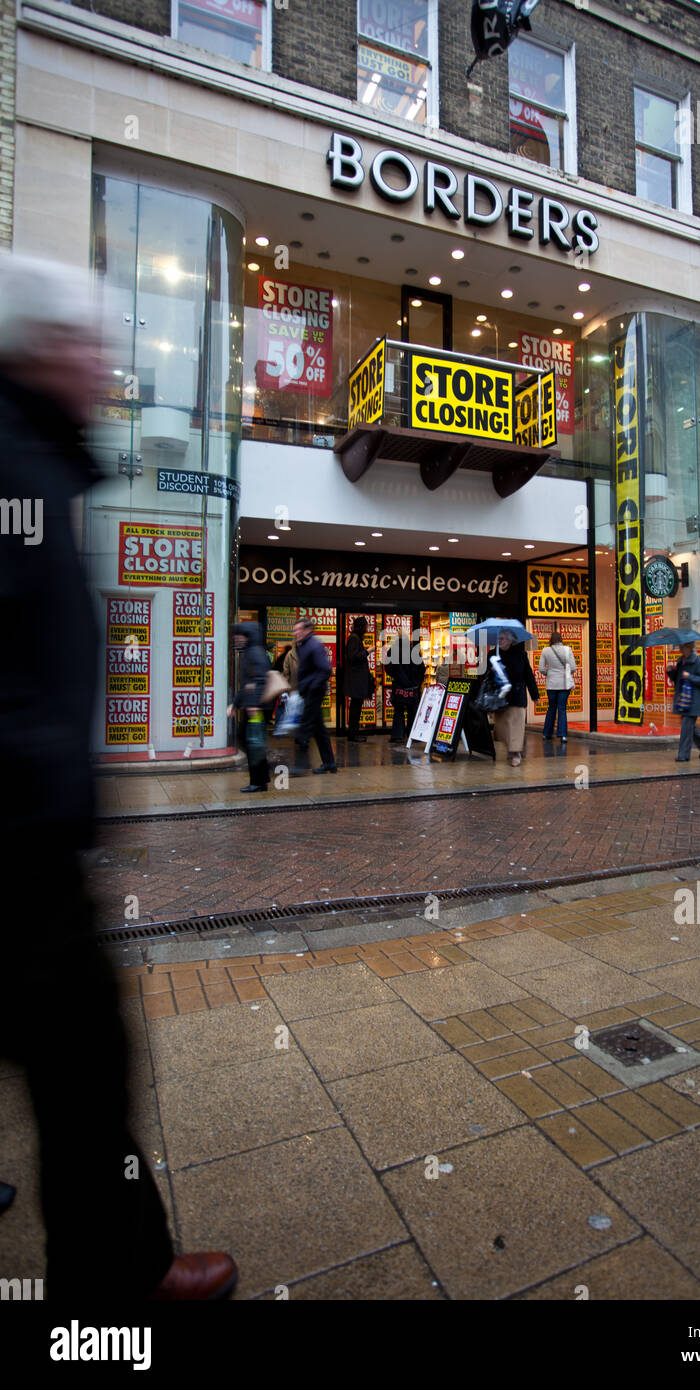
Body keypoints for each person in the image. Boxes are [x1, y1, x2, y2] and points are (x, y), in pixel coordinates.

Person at [0, 251, 236, 1299]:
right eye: (93, 344)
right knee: (87, 1075)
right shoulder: (14, 463)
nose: (108, 367)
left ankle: (132, 1267)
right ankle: (115, 1294)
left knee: (85, 1080)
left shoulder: (42, 461)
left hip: (32, 836)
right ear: (44, 348)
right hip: (17, 844)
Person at [228, 622, 270, 792]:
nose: (236, 639)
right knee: (252, 740)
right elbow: (246, 684)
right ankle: (262, 777)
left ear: (246, 636)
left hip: (256, 708)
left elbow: (258, 681)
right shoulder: (251, 652)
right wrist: (236, 704)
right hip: (253, 706)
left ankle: (258, 781)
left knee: (251, 740)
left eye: (238, 636)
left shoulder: (254, 653)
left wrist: (253, 704)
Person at [292, 617, 338, 773]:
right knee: (319, 730)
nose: (296, 632)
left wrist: (312, 686)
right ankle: (329, 763)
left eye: (298, 630)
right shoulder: (304, 645)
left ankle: (300, 765)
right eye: (295, 630)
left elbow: (325, 669)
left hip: (314, 693)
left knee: (304, 729)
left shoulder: (313, 645)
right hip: (310, 691)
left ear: (307, 630)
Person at [492, 631, 539, 767]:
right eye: (498, 638)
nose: (500, 641)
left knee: (516, 726)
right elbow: (485, 676)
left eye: (503, 639)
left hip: (517, 695)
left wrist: (534, 694)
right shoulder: (493, 655)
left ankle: (516, 753)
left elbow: (528, 675)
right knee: (501, 728)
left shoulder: (520, 654)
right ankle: (511, 747)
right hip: (500, 696)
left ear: (511, 640)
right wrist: (492, 671)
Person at [667, 641, 700, 763]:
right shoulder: (681, 661)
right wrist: (671, 672)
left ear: (690, 648)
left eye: (683, 647)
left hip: (693, 700)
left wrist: (690, 677)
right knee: (689, 727)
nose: (681, 650)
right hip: (683, 699)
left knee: (686, 728)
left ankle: (683, 755)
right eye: (680, 647)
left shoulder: (699, 662)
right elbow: (677, 679)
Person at [384, 631, 425, 743]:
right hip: (413, 687)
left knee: (398, 710)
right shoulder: (414, 651)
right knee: (412, 710)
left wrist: (397, 676)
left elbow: (388, 668)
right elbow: (422, 669)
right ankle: (413, 735)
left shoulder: (393, 650)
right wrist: (417, 682)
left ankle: (398, 735)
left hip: (399, 686)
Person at [538, 630, 576, 741]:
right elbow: (573, 667)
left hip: (551, 685)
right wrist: (566, 673)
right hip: (564, 684)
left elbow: (541, 668)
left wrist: (549, 674)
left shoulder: (545, 650)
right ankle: (563, 735)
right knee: (562, 708)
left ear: (551, 640)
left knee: (551, 708)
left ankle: (546, 733)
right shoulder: (567, 649)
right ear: (561, 639)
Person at [344, 616, 371, 742]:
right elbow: (353, 657)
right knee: (356, 708)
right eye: (366, 626)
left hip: (356, 680)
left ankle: (353, 733)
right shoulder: (354, 639)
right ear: (360, 627)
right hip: (356, 680)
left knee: (356, 707)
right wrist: (368, 651)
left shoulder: (355, 638)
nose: (367, 629)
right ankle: (353, 734)